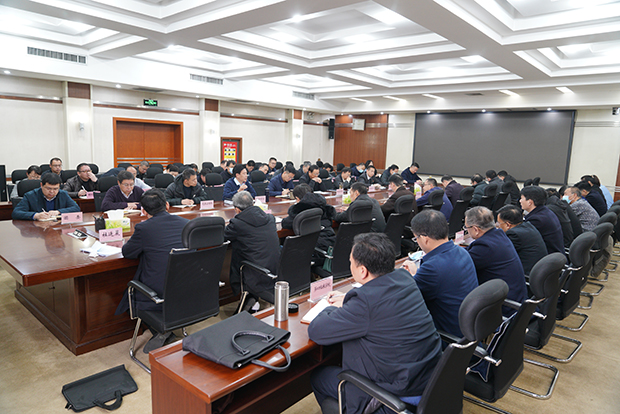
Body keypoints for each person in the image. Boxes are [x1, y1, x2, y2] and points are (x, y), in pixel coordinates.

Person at [309, 233, 442, 414]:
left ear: (363, 271)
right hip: (429, 380)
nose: (350, 265)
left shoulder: (365, 302)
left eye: (351, 262)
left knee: (319, 377)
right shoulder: (405, 278)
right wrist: (349, 302)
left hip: (396, 391)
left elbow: (316, 331)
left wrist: (330, 307)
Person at [114, 189, 189, 352]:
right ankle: (166, 328)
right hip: (186, 286)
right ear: (167, 205)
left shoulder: (144, 228)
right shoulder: (186, 223)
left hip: (159, 292)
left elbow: (128, 252)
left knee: (132, 290)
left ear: (144, 211)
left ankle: (162, 330)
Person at [401, 210, 478, 338]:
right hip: (469, 329)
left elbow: (407, 298)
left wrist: (409, 276)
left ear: (424, 239)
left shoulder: (432, 268)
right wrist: (417, 274)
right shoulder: (462, 252)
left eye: (416, 238)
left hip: (448, 337)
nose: (417, 242)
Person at [465, 206, 527, 316]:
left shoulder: (485, 246)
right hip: (516, 298)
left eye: (467, 228)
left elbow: (461, 263)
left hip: (505, 307)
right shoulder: (499, 235)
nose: (467, 231)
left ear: (476, 229)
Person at [224, 191, 280, 304]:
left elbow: (223, 236)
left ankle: (249, 300)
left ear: (237, 210)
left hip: (255, 273)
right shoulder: (270, 218)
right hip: (275, 269)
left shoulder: (237, 224)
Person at [282, 184, 336, 266]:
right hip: (331, 247)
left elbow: (285, 223)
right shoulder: (324, 207)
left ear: (297, 199)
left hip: (314, 253)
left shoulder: (299, 209)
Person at [497, 205, 548, 275]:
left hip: (526, 274)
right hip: (539, 271)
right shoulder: (528, 225)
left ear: (508, 225)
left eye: (499, 223)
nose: (498, 226)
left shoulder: (514, 234)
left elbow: (501, 255)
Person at [12, 173, 80, 220]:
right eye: (48, 188)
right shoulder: (30, 196)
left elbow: (76, 208)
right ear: (41, 185)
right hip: (37, 230)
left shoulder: (63, 194)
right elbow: (16, 213)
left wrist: (58, 212)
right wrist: (36, 215)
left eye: (55, 189)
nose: (52, 191)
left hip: (57, 228)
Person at [520, 186, 564, 254]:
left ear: (530, 202)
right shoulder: (546, 212)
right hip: (555, 255)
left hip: (547, 257)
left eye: (521, 198)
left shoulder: (536, 220)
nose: (520, 201)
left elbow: (522, 240)